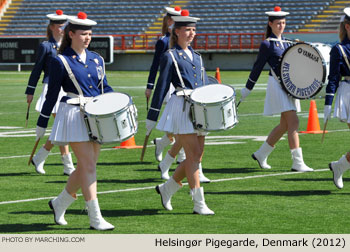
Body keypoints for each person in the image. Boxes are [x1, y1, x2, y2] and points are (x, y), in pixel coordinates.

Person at [35, 12, 114, 230]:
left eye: (90, 34)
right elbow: (52, 95)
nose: (87, 37)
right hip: (73, 114)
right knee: (88, 166)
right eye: (83, 34)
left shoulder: (97, 59)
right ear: (71, 34)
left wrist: (117, 102)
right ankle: (95, 218)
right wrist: (42, 123)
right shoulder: (59, 60)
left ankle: (59, 203)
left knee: (87, 166)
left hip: (95, 115)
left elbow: (104, 87)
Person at [146, 10, 214, 215]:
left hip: (199, 107)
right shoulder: (170, 55)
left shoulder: (197, 56)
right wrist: (152, 116)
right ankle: (198, 203)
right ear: (176, 32)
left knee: (197, 155)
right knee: (193, 155)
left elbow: (202, 84)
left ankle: (166, 189)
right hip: (182, 107)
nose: (192, 33)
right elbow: (161, 86)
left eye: (194, 30)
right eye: (187, 30)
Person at [241, 6, 313, 172]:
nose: (281, 25)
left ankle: (261, 154)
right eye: (278, 23)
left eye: (283, 22)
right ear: (270, 24)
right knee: (293, 121)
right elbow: (257, 67)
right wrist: (248, 88)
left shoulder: (287, 42)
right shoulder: (267, 44)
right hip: (276, 85)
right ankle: (297, 162)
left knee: (284, 125)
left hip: (289, 87)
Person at [25, 10, 75, 176]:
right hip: (51, 88)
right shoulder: (46, 46)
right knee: (63, 124)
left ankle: (41, 157)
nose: (63, 29)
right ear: (52, 27)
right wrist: (30, 91)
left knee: (62, 125)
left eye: (65, 26)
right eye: (60, 27)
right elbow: (37, 69)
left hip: (65, 89)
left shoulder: (68, 46)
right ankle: (66, 165)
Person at [325, 7, 350, 189]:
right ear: (347, 27)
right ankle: (339, 167)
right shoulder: (339, 49)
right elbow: (333, 79)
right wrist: (327, 104)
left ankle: (339, 166)